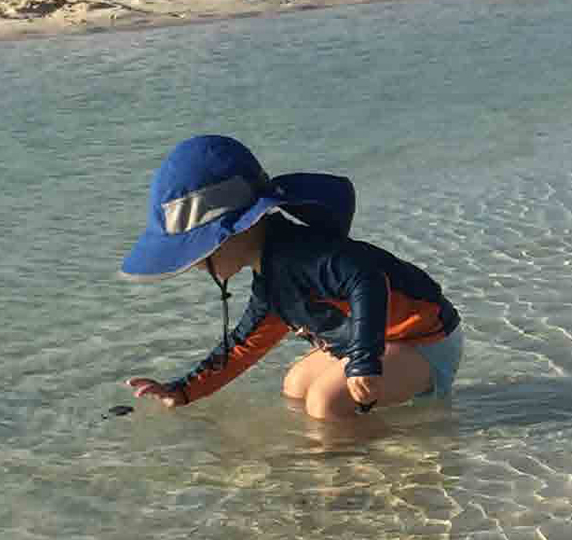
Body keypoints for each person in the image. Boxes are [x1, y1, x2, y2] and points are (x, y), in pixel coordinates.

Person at [119, 134, 461, 420]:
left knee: (324, 402)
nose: (193, 265)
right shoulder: (271, 283)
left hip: (426, 340)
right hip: (377, 344)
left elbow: (366, 278)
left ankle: (361, 475)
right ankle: (361, 444)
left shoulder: (304, 255)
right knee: (295, 386)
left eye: (197, 252)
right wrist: (182, 390)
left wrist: (363, 362)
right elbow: (241, 348)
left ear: (236, 231)